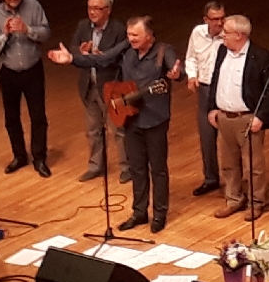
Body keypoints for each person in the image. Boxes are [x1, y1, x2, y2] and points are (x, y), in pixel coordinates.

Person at [51, 17, 182, 232]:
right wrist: (72, 59)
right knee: (137, 168)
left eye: (135, 35)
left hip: (155, 119)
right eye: (129, 34)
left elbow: (177, 72)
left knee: (158, 169)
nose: (130, 38)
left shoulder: (163, 52)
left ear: (149, 36)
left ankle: (160, 214)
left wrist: (177, 75)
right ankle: (139, 212)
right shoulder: (126, 49)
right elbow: (101, 59)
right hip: (130, 118)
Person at [206, 14, 269, 219]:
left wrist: (261, 117)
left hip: (247, 118)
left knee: (253, 165)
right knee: (228, 163)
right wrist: (212, 108)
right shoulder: (222, 51)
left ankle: (256, 202)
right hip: (224, 117)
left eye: (226, 32)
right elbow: (215, 81)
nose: (222, 35)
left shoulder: (260, 56)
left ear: (239, 35)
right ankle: (233, 199)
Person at [0, 0, 52, 177]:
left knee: (38, 116)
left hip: (32, 69)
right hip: (8, 71)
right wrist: (4, 35)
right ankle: (19, 155)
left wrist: (27, 29)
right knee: (11, 117)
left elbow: (46, 33)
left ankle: (39, 158)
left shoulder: (34, 7)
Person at [66, 0, 121, 183]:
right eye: (90, 8)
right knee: (93, 130)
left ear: (108, 10)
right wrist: (80, 52)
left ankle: (127, 167)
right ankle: (96, 166)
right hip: (89, 85)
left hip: (110, 87)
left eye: (97, 8)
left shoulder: (118, 30)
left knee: (118, 130)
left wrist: (101, 56)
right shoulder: (83, 26)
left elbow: (120, 58)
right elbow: (73, 48)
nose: (92, 12)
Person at [183, 0, 227, 196]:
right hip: (205, 90)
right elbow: (191, 57)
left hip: (224, 90)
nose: (220, 23)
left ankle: (234, 182)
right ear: (206, 20)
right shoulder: (197, 33)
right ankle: (211, 178)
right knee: (207, 137)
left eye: (222, 18)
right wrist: (192, 75)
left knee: (229, 140)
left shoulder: (229, 36)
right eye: (215, 19)